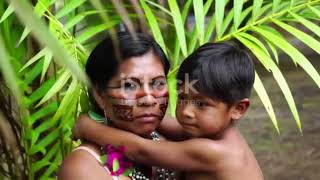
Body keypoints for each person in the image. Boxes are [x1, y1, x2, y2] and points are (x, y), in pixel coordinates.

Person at [72, 42, 264, 180]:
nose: (187, 111)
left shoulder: (215, 151)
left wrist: (87, 127)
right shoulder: (209, 130)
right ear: (99, 93)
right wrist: (145, 108)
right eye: (182, 98)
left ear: (238, 109)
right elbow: (166, 123)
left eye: (201, 104)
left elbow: (141, 151)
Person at [58, 32, 179, 180]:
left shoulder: (178, 145)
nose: (148, 99)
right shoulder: (83, 166)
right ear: (99, 95)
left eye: (158, 83)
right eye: (129, 85)